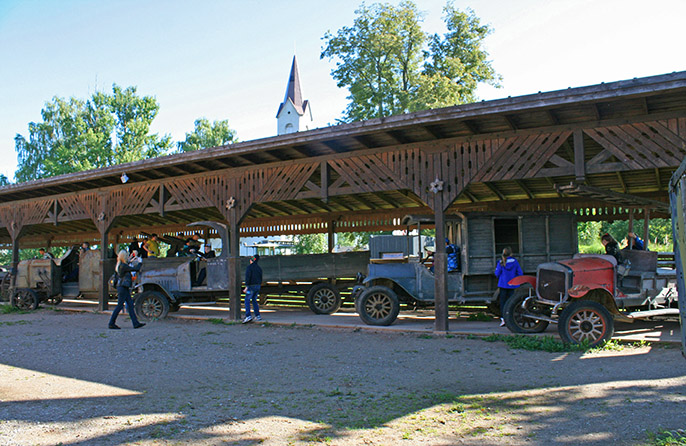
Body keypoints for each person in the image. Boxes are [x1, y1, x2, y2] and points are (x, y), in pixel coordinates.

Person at [108, 249, 145, 330]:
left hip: (122, 287)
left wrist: (132, 257)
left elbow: (128, 264)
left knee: (130, 305)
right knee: (120, 306)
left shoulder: (120, 265)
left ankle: (136, 323)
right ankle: (111, 323)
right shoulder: (123, 266)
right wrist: (140, 262)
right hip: (123, 287)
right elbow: (136, 269)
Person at [494, 247, 523, 327]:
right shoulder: (515, 262)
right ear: (511, 253)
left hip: (503, 285)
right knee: (511, 302)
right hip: (513, 285)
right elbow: (520, 273)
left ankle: (503, 319)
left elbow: (497, 273)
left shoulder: (500, 263)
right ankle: (510, 318)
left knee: (503, 302)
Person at [243, 254, 263, 323]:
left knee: (247, 300)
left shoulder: (249, 267)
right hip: (257, 286)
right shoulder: (259, 268)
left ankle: (248, 316)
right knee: (254, 300)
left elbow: (248, 277)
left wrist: (246, 287)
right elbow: (261, 278)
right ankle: (258, 315)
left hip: (251, 286)